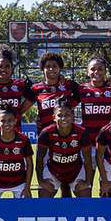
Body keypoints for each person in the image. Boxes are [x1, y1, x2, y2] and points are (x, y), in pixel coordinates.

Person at [31, 52, 81, 197]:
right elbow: (22, 108)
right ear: (42, 69)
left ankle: (66, 215)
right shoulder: (36, 89)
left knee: (66, 182)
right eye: (47, 66)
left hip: (68, 137)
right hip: (46, 139)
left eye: (55, 66)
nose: (51, 69)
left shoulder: (69, 85)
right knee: (48, 183)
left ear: (60, 68)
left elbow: (87, 91)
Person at [36, 98, 93, 198]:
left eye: (67, 115)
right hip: (53, 170)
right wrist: (41, 181)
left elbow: (88, 160)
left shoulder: (82, 133)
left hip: (76, 170)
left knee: (86, 203)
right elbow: (39, 159)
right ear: (54, 117)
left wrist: (87, 182)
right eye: (59, 115)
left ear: (73, 117)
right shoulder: (46, 133)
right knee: (43, 202)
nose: (63, 118)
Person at [79, 56, 111, 176]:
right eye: (93, 69)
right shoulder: (81, 89)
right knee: (87, 184)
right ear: (87, 72)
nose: (96, 72)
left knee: (109, 187)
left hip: (110, 145)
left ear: (105, 71)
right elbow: (65, 107)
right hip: (89, 145)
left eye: (100, 69)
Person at [0, 44, 34, 134]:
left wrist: (17, 113)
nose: (3, 69)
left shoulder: (21, 85)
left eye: (7, 66)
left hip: (16, 136)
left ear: (12, 68)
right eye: (0, 66)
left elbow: (32, 99)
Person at [0, 102, 33, 198]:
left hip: (19, 182)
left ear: (15, 121)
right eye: (3, 121)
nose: (6, 124)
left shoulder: (24, 140)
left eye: (10, 120)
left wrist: (27, 188)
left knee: (27, 210)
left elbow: (29, 164)